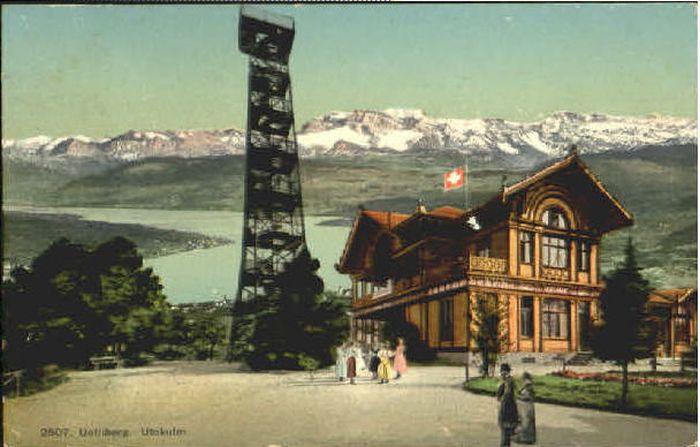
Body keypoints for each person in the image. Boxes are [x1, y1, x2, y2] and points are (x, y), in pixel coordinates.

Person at [496, 363, 518, 447]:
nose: (501, 374)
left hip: (507, 410)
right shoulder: (507, 381)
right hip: (509, 410)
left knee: (505, 433)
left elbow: (506, 394)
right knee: (506, 434)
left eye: (502, 372)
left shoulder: (509, 381)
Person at [514, 372, 536, 444]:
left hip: (527, 407)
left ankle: (526, 438)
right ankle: (524, 437)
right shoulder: (526, 386)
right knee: (525, 422)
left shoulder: (528, 385)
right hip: (525, 407)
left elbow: (528, 397)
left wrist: (519, 397)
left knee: (526, 422)